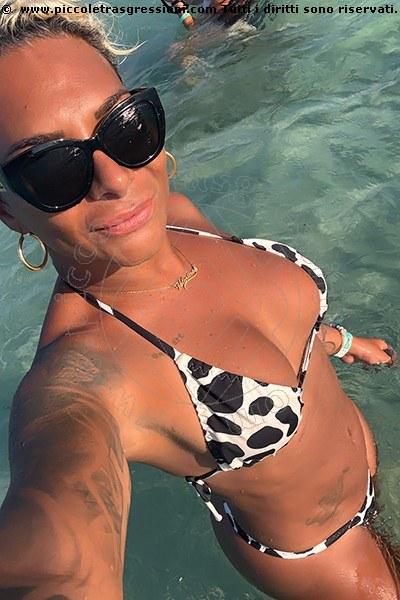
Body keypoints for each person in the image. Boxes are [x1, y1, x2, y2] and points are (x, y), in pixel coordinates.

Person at [0, 1, 398, 598]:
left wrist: (344, 342)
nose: (115, 179)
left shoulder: (177, 218)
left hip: (364, 461)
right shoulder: (84, 372)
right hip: (323, 555)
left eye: (125, 127)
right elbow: (62, 540)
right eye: (52, 169)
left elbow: (269, 318)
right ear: (8, 210)